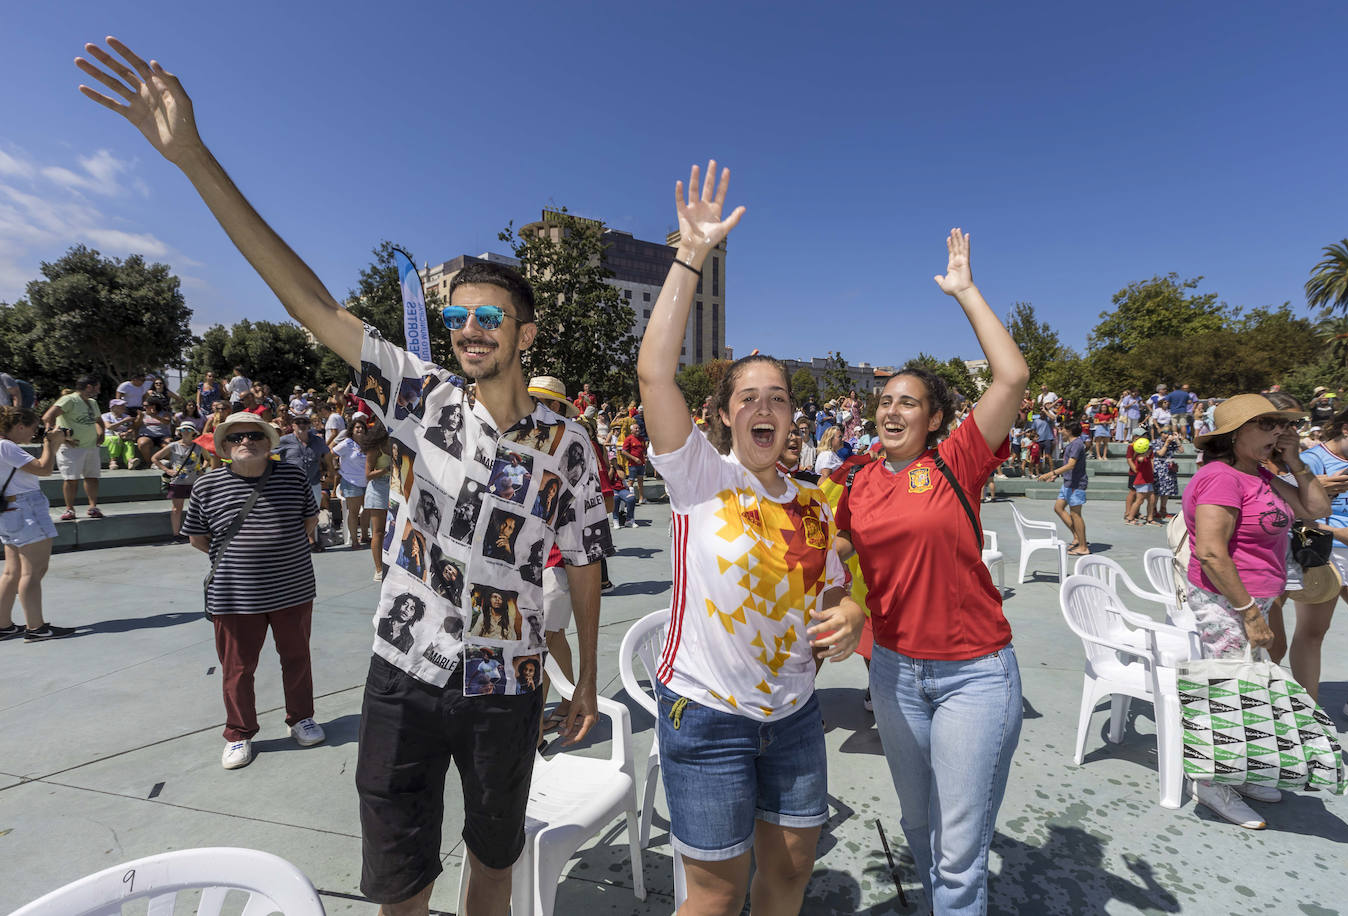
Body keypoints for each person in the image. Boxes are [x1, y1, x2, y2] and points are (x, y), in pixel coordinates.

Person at [79, 36, 614, 913]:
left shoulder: (570, 443)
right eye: (459, 316)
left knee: (493, 858)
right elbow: (309, 302)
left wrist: (585, 676)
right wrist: (194, 160)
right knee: (400, 877)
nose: (470, 329)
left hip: (510, 680)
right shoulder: (420, 394)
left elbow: (586, 562)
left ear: (526, 334)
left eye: (491, 316)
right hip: (404, 668)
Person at [638, 162, 862, 916]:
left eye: (778, 398)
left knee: (793, 867)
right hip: (707, 715)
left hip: (795, 716)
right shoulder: (701, 478)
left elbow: (830, 589)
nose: (764, 408)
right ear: (726, 416)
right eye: (748, 398)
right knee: (714, 891)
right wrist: (691, 256)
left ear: (794, 418)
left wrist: (851, 613)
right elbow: (652, 375)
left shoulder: (813, 505)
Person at [832, 228, 1028, 915]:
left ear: (936, 417)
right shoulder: (856, 481)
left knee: (958, 850)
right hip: (893, 674)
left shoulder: (958, 462)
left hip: (975, 673)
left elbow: (1012, 377)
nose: (891, 409)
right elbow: (837, 558)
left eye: (908, 401)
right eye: (884, 400)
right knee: (919, 826)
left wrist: (965, 292)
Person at [1184, 394, 1329, 828]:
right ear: (1233, 435)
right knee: (1228, 689)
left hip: (1254, 599)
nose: (1278, 433)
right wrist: (1248, 612)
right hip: (1226, 601)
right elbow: (1211, 552)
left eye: (1279, 425)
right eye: (1266, 425)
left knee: (1247, 690)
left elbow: (1317, 510)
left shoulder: (1261, 475)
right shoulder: (1222, 478)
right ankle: (1210, 783)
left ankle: (1237, 773)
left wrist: (1296, 462)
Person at [181, 411, 323, 768]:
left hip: (292, 588)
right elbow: (198, 538)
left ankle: (301, 718)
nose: (246, 442)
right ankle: (239, 732)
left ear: (268, 442)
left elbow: (309, 518)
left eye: (254, 436)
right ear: (225, 446)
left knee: (297, 659)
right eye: (236, 437)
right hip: (234, 592)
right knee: (237, 668)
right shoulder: (207, 485)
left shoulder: (292, 476)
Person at [1293, 402, 1348, 730]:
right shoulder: (1311, 460)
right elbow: (1293, 511)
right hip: (1321, 556)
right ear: (1345, 429)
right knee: (1313, 632)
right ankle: (1305, 712)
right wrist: (1336, 531)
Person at [0, 408, 73, 641]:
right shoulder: (7, 446)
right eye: (32, 428)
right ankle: (36, 627)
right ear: (19, 425)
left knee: (13, 572)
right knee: (34, 570)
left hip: (9, 510)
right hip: (25, 507)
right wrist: (51, 444)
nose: (34, 434)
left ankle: (3, 625)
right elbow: (44, 469)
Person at [42, 375, 106, 520]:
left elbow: (99, 421)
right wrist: (59, 436)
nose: (99, 390)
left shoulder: (92, 402)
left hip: (91, 446)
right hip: (71, 447)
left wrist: (101, 434)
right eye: (97, 386)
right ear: (89, 387)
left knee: (92, 477)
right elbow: (48, 417)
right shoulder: (69, 399)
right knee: (71, 479)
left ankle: (93, 507)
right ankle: (70, 509)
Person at [275, 415, 331, 552]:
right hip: (291, 485)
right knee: (294, 514)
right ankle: (298, 542)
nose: (301, 424)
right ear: (292, 425)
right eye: (298, 422)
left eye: (305, 422)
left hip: (313, 483)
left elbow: (327, 455)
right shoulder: (284, 441)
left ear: (309, 425)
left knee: (312, 514)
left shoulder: (318, 441)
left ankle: (310, 541)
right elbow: (269, 455)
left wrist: (331, 473)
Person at [1039, 419, 1091, 556]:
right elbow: (1069, 466)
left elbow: (1071, 465)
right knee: (1058, 508)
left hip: (1076, 484)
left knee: (1075, 514)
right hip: (1068, 482)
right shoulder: (1073, 444)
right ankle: (1077, 536)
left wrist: (1051, 472)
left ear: (1068, 431)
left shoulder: (1077, 444)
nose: (1060, 431)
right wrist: (1056, 476)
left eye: (1062, 429)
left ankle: (1083, 547)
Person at [152, 422, 206, 541]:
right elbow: (155, 458)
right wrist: (167, 469)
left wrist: (202, 468)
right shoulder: (173, 445)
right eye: (183, 429)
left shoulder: (199, 446)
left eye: (188, 429)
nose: (185, 431)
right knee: (177, 508)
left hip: (195, 480)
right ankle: (176, 534)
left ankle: (196, 532)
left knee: (198, 508)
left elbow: (207, 459)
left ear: (193, 432)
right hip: (179, 481)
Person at [332, 416, 370, 548]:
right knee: (353, 512)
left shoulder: (367, 443)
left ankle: (365, 535)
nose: (360, 429)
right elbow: (331, 453)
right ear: (352, 430)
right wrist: (335, 468)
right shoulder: (347, 443)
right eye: (357, 427)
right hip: (351, 482)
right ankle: (354, 540)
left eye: (362, 427)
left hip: (368, 482)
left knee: (367, 510)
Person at [362, 423, 392, 580]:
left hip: (395, 489)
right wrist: (387, 469)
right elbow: (368, 475)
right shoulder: (375, 448)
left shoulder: (396, 444)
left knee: (393, 530)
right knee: (379, 532)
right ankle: (379, 569)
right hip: (378, 490)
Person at [1124, 436, 1156, 525]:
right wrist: (1145, 454)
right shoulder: (1140, 457)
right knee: (1139, 500)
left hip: (1148, 480)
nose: (1150, 449)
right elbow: (1139, 460)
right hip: (1141, 481)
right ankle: (1130, 518)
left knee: (1152, 499)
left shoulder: (1148, 456)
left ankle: (1149, 519)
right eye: (1149, 448)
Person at [101, 398, 139, 470]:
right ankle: (113, 462)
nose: (124, 407)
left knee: (129, 442)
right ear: (113, 407)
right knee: (115, 439)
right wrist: (123, 421)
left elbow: (130, 428)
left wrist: (127, 433)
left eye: (123, 405)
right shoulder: (105, 416)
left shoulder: (126, 416)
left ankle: (130, 461)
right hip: (108, 437)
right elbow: (109, 427)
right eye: (121, 405)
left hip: (122, 437)